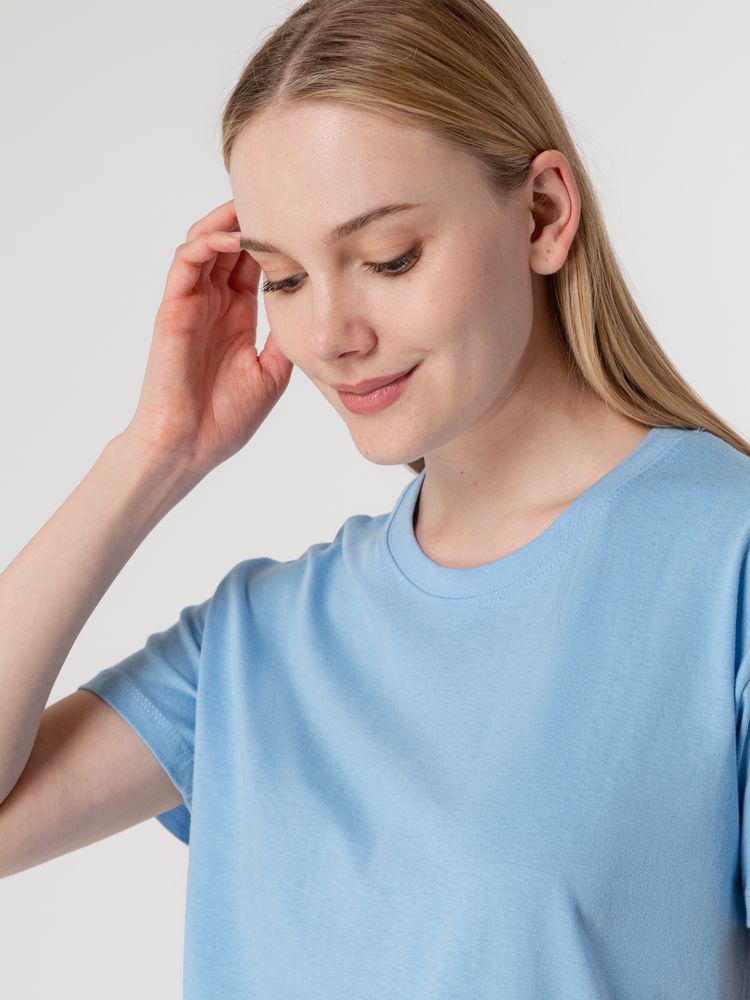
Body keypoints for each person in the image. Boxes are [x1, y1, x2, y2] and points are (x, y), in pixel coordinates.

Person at [1, 0, 749, 996]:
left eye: (388, 258)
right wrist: (154, 453)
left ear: (542, 214)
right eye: (284, 278)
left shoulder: (723, 560)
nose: (331, 335)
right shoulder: (257, 644)